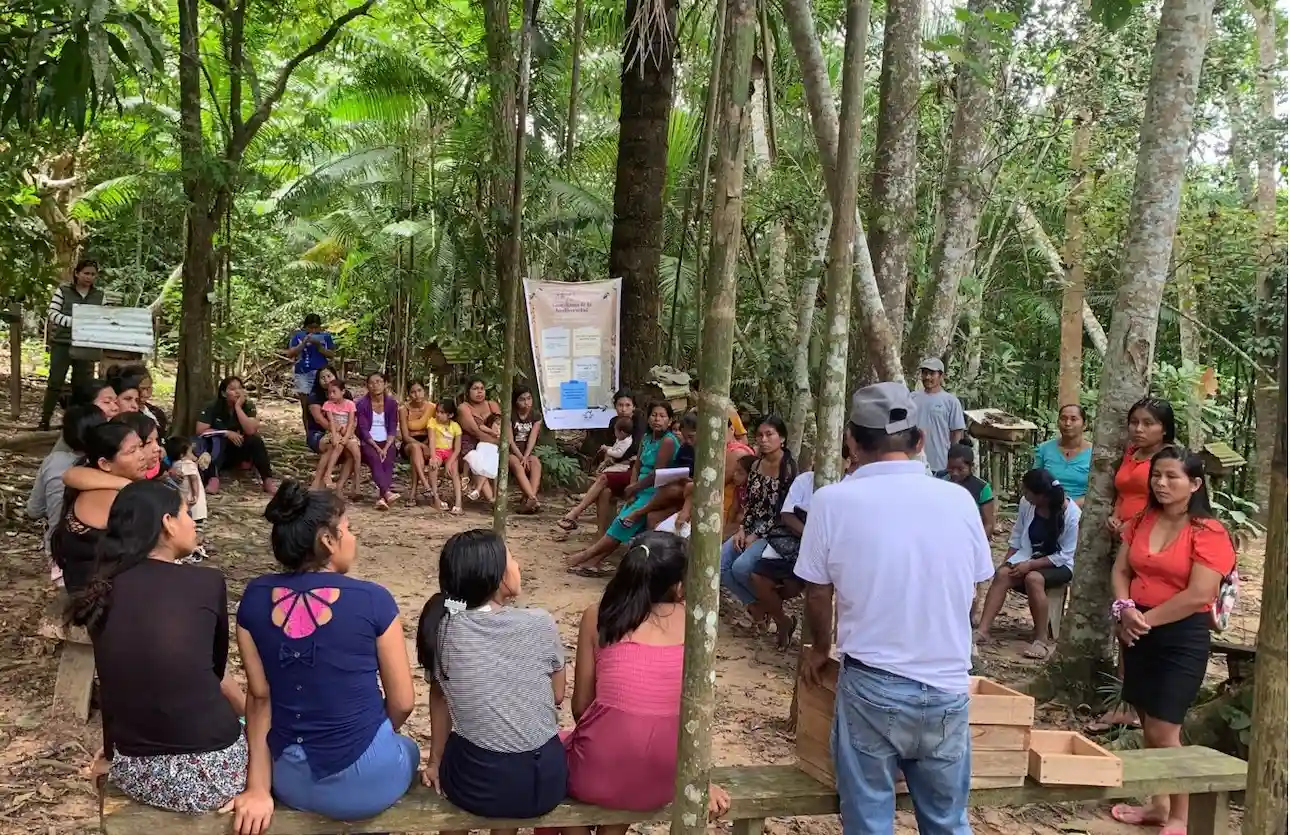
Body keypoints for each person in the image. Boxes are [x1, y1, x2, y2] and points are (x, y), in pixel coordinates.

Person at [796, 383, 993, 834]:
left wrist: (820, 647)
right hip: (947, 684)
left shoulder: (831, 501)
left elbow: (816, 591)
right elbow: (977, 579)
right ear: (920, 441)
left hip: (873, 684)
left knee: (868, 820)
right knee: (947, 822)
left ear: (851, 441)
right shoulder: (959, 500)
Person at [234, 482, 418, 828]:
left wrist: (258, 787)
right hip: (367, 781)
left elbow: (259, 699)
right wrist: (368, 737)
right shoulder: (374, 599)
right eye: (348, 529)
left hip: (288, 778)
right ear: (327, 540)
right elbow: (403, 701)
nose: (353, 537)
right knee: (407, 750)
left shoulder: (255, 598)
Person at [67, 480, 247, 814]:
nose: (193, 521)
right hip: (213, 774)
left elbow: (111, 683)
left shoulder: (100, 590)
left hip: (138, 773)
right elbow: (214, 671)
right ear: (167, 522)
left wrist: (112, 753)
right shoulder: (206, 582)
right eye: (185, 512)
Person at [560, 532, 730, 828]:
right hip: (665, 778)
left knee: (558, 758)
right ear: (679, 586)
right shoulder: (698, 622)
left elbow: (581, 707)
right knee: (629, 764)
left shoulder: (598, 615)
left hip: (598, 772)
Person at [1109, 446, 1236, 834]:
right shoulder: (1142, 518)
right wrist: (1125, 607)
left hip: (1181, 634)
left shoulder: (1209, 532)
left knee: (1166, 730)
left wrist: (1143, 620)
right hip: (1137, 626)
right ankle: (1158, 805)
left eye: (1172, 477)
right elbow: (1121, 569)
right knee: (1147, 722)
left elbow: (1200, 593)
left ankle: (1181, 815)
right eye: (1156, 476)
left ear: (1195, 484)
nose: (1161, 483)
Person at [417, 529, 567, 822]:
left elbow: (439, 696)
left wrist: (435, 761)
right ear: (498, 576)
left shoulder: (443, 628)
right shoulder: (540, 622)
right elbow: (558, 695)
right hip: (548, 781)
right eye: (511, 556)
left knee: (466, 742)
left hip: (482, 785)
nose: (518, 563)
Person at [1097, 397, 1176, 730]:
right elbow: (1123, 493)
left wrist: (1134, 526)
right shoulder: (1131, 453)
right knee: (1122, 616)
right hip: (1122, 542)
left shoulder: (1168, 460)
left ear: (1164, 428)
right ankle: (1125, 699)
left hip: (1151, 543)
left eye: (1148, 423)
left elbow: (1164, 501)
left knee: (1140, 622)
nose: (1139, 429)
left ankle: (1137, 705)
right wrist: (1116, 518)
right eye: (1135, 422)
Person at [749, 446, 856, 651]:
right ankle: (782, 620)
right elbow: (787, 514)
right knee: (758, 576)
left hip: (829, 546)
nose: (820, 460)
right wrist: (810, 535)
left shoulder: (850, 487)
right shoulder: (804, 480)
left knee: (802, 586)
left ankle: (820, 645)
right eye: (818, 455)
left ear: (848, 462)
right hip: (794, 537)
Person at [973, 468, 1082, 659]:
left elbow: (1065, 555)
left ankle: (1041, 639)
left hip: (1059, 565)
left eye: (1027, 492)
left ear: (1042, 496)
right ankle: (983, 631)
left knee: (1033, 579)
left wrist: (1031, 565)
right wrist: (1008, 562)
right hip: (1029, 556)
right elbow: (1017, 536)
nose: (1024, 495)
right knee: (1002, 575)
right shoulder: (1027, 505)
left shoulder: (1072, 514)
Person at [565, 402, 678, 577]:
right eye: (654, 415)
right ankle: (593, 562)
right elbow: (637, 465)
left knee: (622, 524)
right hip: (639, 488)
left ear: (669, 421)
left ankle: (585, 556)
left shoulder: (668, 441)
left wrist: (635, 487)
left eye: (662, 416)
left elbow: (657, 474)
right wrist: (631, 487)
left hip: (655, 491)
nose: (657, 420)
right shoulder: (647, 439)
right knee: (621, 524)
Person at [51, 422, 150, 595]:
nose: (142, 456)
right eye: (131, 451)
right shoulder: (116, 497)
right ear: (105, 464)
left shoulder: (92, 483)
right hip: (99, 598)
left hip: (83, 586)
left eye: (141, 447)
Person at [720, 416, 798, 625]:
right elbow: (752, 505)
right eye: (760, 435)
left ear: (781, 438)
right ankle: (758, 606)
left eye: (769, 434)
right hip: (751, 526)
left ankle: (766, 609)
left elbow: (783, 511)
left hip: (776, 531)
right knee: (720, 565)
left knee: (741, 567)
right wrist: (742, 529)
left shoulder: (788, 469)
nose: (763, 439)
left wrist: (756, 534)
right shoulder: (755, 465)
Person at [29, 405, 108, 583]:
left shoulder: (52, 461)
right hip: (95, 554)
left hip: (57, 550)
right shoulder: (108, 467)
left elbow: (33, 510)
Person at [555, 391, 644, 534]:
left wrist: (615, 458)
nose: (623, 409)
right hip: (617, 466)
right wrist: (607, 460)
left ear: (634, 407)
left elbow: (636, 447)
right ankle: (603, 533)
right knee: (605, 491)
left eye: (628, 405)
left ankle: (574, 514)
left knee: (603, 478)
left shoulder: (638, 422)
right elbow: (609, 444)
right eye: (620, 405)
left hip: (633, 469)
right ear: (615, 406)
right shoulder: (614, 422)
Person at [40, 259, 105, 430]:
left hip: (87, 344)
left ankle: (75, 425)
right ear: (77, 273)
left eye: (93, 274)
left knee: (82, 385)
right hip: (62, 342)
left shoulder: (99, 295)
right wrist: (74, 322)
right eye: (86, 273)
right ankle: (44, 420)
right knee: (55, 381)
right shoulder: (63, 291)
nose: (89, 277)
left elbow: (103, 317)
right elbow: (52, 313)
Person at [196, 375, 277, 495]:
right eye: (232, 389)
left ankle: (267, 480)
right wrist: (226, 433)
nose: (237, 392)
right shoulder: (213, 407)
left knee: (255, 440)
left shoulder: (247, 406)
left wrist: (238, 408)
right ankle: (213, 478)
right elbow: (200, 430)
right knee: (217, 441)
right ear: (224, 393)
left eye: (240, 388)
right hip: (219, 452)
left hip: (239, 449)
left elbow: (250, 430)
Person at [617, 410, 697, 531]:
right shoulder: (685, 448)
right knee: (652, 517)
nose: (688, 442)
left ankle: (640, 512)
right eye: (685, 438)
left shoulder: (670, 441)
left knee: (673, 489)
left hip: (690, 491)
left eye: (691, 437)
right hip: (680, 489)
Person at [305, 368, 359, 496]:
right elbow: (320, 420)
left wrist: (347, 432)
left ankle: (339, 486)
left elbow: (352, 419)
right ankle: (317, 483)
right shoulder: (314, 397)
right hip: (318, 434)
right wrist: (339, 429)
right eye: (322, 378)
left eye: (329, 376)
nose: (326, 380)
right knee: (332, 446)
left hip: (344, 433)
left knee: (351, 452)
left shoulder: (346, 396)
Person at [910, 357, 966, 473]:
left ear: (941, 376)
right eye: (925, 373)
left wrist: (952, 460)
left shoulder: (951, 402)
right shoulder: (912, 398)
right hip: (914, 462)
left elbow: (956, 434)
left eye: (932, 374)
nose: (927, 377)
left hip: (940, 464)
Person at [356, 371, 401, 510]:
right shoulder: (362, 404)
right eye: (371, 383)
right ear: (367, 386)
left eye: (379, 382)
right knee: (375, 459)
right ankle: (386, 493)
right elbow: (362, 429)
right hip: (369, 441)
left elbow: (393, 426)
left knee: (388, 461)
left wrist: (386, 447)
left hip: (387, 441)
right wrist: (377, 447)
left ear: (385, 384)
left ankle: (382, 498)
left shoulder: (391, 403)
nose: (375, 385)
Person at [1034, 404, 1092, 503]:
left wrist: (1070, 507)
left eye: (1073, 419)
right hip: (1047, 507)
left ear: (1084, 424)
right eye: (1063, 419)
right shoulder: (1044, 449)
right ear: (1058, 422)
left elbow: (1098, 491)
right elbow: (1034, 482)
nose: (1067, 423)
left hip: (1081, 510)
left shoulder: (1094, 453)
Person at [457, 378, 502, 504]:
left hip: (493, 444)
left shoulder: (492, 405)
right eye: (475, 389)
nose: (479, 392)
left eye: (482, 389)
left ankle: (494, 497)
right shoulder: (463, 407)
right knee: (479, 459)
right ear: (468, 391)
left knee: (491, 454)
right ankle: (491, 499)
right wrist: (496, 442)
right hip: (471, 444)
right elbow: (475, 431)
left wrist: (502, 442)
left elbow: (503, 425)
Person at [937, 442, 997, 535]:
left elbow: (988, 524)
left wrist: (979, 545)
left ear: (971, 466)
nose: (955, 473)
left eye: (960, 469)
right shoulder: (939, 480)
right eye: (951, 468)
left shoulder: (982, 488)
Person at [287, 314, 336, 428]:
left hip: (322, 373)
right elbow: (290, 353)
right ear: (305, 327)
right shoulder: (298, 336)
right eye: (310, 327)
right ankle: (309, 433)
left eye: (316, 327)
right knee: (306, 405)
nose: (313, 330)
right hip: (303, 373)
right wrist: (303, 343)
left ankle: (325, 429)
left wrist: (319, 347)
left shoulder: (325, 337)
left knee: (326, 402)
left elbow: (332, 354)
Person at [506, 385, 544, 513]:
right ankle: (533, 499)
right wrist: (521, 457)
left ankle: (529, 499)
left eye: (529, 398)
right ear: (516, 401)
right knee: (517, 465)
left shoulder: (536, 415)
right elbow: (510, 440)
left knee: (536, 463)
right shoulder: (510, 415)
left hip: (527, 452)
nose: (526, 402)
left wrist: (526, 456)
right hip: (511, 452)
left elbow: (532, 438)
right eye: (522, 399)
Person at [425, 398, 464, 513]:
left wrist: (449, 463)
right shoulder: (432, 422)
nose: (438, 415)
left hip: (450, 452)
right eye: (437, 411)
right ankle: (435, 497)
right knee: (434, 466)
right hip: (437, 451)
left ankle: (458, 503)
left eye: (442, 413)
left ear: (450, 414)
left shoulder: (456, 427)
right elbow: (431, 440)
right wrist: (432, 457)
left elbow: (457, 449)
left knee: (454, 473)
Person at [401, 381, 435, 506]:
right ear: (409, 394)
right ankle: (425, 484)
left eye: (419, 390)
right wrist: (422, 446)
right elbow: (405, 436)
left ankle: (413, 492)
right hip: (409, 443)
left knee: (417, 454)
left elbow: (435, 430)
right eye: (413, 392)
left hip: (428, 441)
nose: (417, 395)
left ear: (424, 391)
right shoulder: (404, 409)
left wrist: (427, 444)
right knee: (415, 448)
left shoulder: (432, 407)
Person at [164, 436, 208, 529]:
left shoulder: (174, 466)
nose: (193, 455)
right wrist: (196, 495)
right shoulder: (187, 463)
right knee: (197, 518)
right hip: (193, 498)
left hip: (184, 497)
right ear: (182, 455)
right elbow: (194, 479)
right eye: (190, 452)